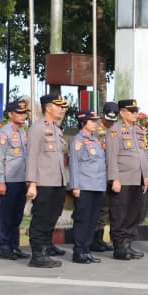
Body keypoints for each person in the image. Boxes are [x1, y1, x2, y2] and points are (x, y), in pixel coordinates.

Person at [26, 94, 69, 268]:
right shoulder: (38, 128)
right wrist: (32, 183)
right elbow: (32, 157)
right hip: (43, 182)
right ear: (48, 107)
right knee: (41, 219)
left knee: (52, 217)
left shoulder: (57, 129)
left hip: (57, 182)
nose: (62, 109)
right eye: (58, 106)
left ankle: (46, 248)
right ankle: (37, 254)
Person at [106, 98, 148, 260]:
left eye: (136, 111)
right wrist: (114, 179)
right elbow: (111, 157)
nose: (135, 114)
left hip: (137, 179)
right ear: (122, 112)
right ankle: (119, 248)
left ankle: (128, 245)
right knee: (120, 214)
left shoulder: (139, 130)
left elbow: (144, 155)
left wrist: (146, 176)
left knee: (134, 214)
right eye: (132, 111)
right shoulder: (114, 131)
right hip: (122, 179)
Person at [0, 98, 31, 261]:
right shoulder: (3, 133)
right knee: (6, 216)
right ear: (10, 114)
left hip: (22, 179)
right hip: (9, 180)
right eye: (19, 113)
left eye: (24, 113)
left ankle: (15, 246)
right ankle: (5, 247)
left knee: (17, 215)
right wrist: (1, 181)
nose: (23, 116)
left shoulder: (23, 132)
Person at [68, 109, 106, 264]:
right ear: (83, 122)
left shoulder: (95, 140)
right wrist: (75, 186)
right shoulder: (78, 140)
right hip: (84, 186)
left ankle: (87, 249)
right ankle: (78, 251)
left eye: (96, 120)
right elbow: (74, 164)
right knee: (82, 219)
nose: (95, 123)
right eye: (92, 121)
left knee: (93, 220)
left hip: (97, 185)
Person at [91, 102, 119, 252]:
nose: (110, 122)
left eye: (113, 119)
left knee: (107, 209)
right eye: (108, 119)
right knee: (97, 208)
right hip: (98, 174)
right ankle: (94, 239)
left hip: (112, 175)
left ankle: (100, 238)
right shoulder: (95, 129)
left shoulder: (117, 129)